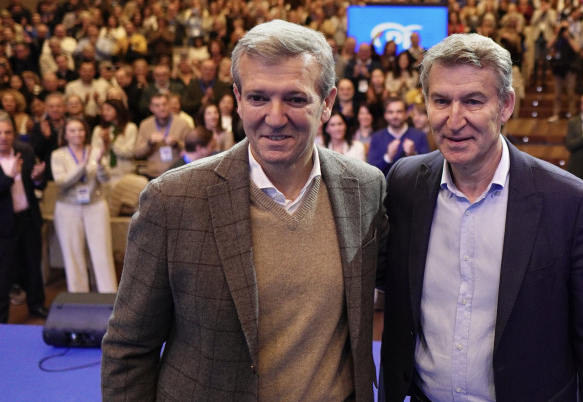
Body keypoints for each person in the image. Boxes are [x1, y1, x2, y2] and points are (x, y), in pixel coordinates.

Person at [102, 20, 386, 401]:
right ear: (237, 98)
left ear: (328, 103)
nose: (274, 116)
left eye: (296, 99)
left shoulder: (365, 187)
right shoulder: (173, 200)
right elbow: (129, 348)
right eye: (257, 98)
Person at [380, 33, 583, 402]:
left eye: (473, 101)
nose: (454, 119)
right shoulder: (404, 182)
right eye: (441, 101)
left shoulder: (567, 200)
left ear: (506, 104)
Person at [50, 117, 117, 293]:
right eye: (72, 130)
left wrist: (101, 163)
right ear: (65, 134)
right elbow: (61, 182)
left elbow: (106, 179)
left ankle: (109, 297)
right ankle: (78, 297)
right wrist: (82, 165)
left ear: (85, 132)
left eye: (80, 130)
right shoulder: (58, 155)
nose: (77, 134)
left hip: (95, 204)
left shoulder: (96, 151)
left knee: (102, 253)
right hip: (67, 207)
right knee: (73, 255)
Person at [0, 114, 48, 322]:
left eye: (8, 132)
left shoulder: (25, 152)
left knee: (32, 264)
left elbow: (38, 185)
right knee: (4, 271)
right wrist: (10, 178)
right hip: (4, 224)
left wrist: (38, 178)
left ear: (14, 134)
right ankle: (2, 315)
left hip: (28, 218)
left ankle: (37, 304)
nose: (3, 137)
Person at [133, 92, 192, 179]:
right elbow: (137, 153)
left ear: (169, 105)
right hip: (153, 175)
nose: (162, 108)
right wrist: (149, 143)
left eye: (164, 104)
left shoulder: (182, 123)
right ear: (151, 108)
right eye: (157, 105)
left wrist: (177, 144)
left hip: (177, 174)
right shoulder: (145, 125)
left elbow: (193, 150)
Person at [367, 96, 430, 175]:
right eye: (390, 112)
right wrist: (388, 157)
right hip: (386, 186)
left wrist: (413, 154)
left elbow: (428, 169)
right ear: (385, 115)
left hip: (412, 186)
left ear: (406, 114)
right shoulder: (376, 137)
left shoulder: (420, 135)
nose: (395, 116)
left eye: (399, 112)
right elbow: (370, 171)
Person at [91, 98, 139, 183]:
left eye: (108, 110)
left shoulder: (130, 128)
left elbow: (129, 153)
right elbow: (96, 154)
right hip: (106, 174)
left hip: (126, 173)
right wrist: (104, 143)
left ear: (118, 110)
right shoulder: (98, 130)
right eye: (103, 110)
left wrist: (111, 142)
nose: (104, 113)